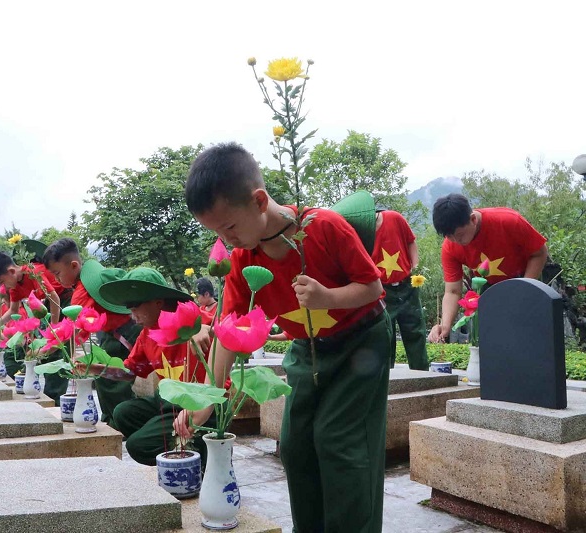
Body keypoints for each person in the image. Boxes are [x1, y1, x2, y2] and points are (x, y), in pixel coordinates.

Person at [179, 142, 390, 533]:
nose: (227, 242)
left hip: (362, 341)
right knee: (294, 446)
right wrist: (209, 397)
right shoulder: (245, 258)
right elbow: (231, 331)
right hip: (306, 349)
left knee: (340, 444)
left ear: (259, 200)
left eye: (229, 227)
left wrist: (327, 297)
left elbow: (373, 288)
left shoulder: (323, 227)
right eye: (216, 233)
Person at [78, 267, 211, 466]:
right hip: (168, 401)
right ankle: (176, 446)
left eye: (135, 307)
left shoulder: (188, 318)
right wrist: (94, 369)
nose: (133, 316)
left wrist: (203, 328)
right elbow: (129, 372)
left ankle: (196, 457)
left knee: (138, 445)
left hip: (201, 402)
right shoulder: (146, 334)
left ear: (157, 302)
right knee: (123, 413)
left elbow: (219, 328)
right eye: (129, 309)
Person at [42, 238, 142, 425]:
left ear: (73, 265)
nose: (56, 280)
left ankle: (120, 423)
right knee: (105, 380)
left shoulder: (82, 291)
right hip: (114, 333)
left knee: (112, 382)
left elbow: (74, 328)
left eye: (57, 274)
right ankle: (112, 419)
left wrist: (48, 347)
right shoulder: (87, 280)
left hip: (123, 334)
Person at [427, 193, 548, 343]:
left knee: (528, 336)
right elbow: (452, 291)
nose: (456, 241)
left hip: (526, 279)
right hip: (488, 287)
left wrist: (523, 290)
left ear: (473, 219)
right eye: (449, 237)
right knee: (491, 338)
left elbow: (540, 253)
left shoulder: (508, 221)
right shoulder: (449, 247)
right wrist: (444, 325)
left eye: (460, 235)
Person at [0, 250, 67, 378]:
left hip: (62, 300)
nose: (3, 288)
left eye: (1, 282)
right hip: (47, 304)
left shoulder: (31, 272)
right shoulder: (15, 286)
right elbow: (13, 311)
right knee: (40, 353)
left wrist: (54, 328)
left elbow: (54, 298)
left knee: (56, 349)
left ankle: (54, 392)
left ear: (12, 271)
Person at [372, 210, 428, 369]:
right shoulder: (360, 230)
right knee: (384, 334)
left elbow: (411, 241)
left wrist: (416, 268)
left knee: (415, 331)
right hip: (381, 290)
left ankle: (422, 376)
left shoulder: (394, 218)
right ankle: (387, 381)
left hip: (407, 285)